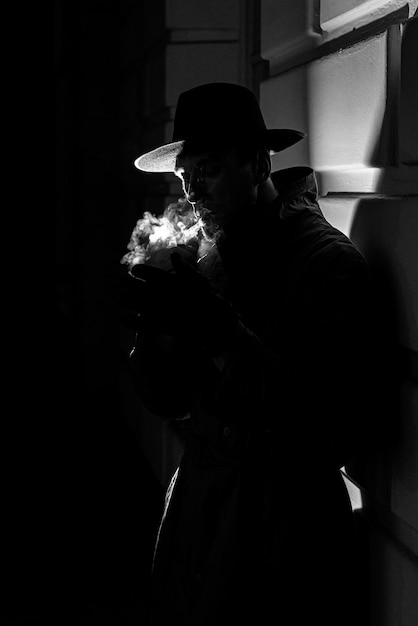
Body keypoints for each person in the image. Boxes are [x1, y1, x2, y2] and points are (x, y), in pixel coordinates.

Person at [120, 83, 377, 625]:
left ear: (258, 163)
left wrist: (216, 330)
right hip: (203, 536)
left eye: (208, 170)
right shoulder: (212, 252)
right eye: (185, 177)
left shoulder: (327, 264)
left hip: (284, 558)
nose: (192, 192)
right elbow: (170, 401)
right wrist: (157, 335)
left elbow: (327, 431)